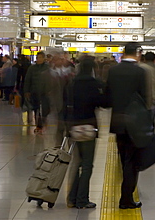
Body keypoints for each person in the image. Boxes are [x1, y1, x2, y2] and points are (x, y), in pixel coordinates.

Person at [106, 42, 147, 209]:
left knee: (123, 158)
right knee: (133, 161)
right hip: (134, 122)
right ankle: (126, 198)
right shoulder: (140, 72)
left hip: (117, 120)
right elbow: (144, 98)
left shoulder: (113, 70)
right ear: (137, 53)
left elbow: (108, 95)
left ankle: (126, 195)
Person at [67, 57, 107, 209]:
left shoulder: (72, 83)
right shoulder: (94, 84)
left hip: (74, 126)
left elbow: (66, 105)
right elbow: (104, 103)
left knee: (77, 163)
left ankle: (72, 197)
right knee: (87, 164)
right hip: (89, 126)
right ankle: (82, 199)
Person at [24, 51, 50, 133]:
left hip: (45, 92)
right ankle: (38, 126)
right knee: (36, 109)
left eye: (40, 57)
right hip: (34, 91)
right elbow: (27, 80)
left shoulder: (48, 68)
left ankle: (44, 122)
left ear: (44, 58)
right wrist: (26, 91)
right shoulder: (32, 68)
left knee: (45, 109)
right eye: (37, 57)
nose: (38, 59)